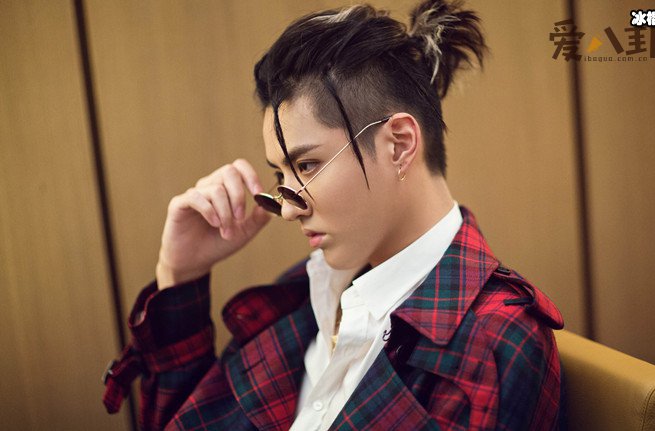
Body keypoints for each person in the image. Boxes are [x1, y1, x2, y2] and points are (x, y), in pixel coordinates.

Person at [102, 1, 564, 430]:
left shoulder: (495, 340)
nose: (286, 208)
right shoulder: (306, 292)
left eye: (306, 165)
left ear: (399, 144)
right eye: (281, 174)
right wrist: (179, 274)